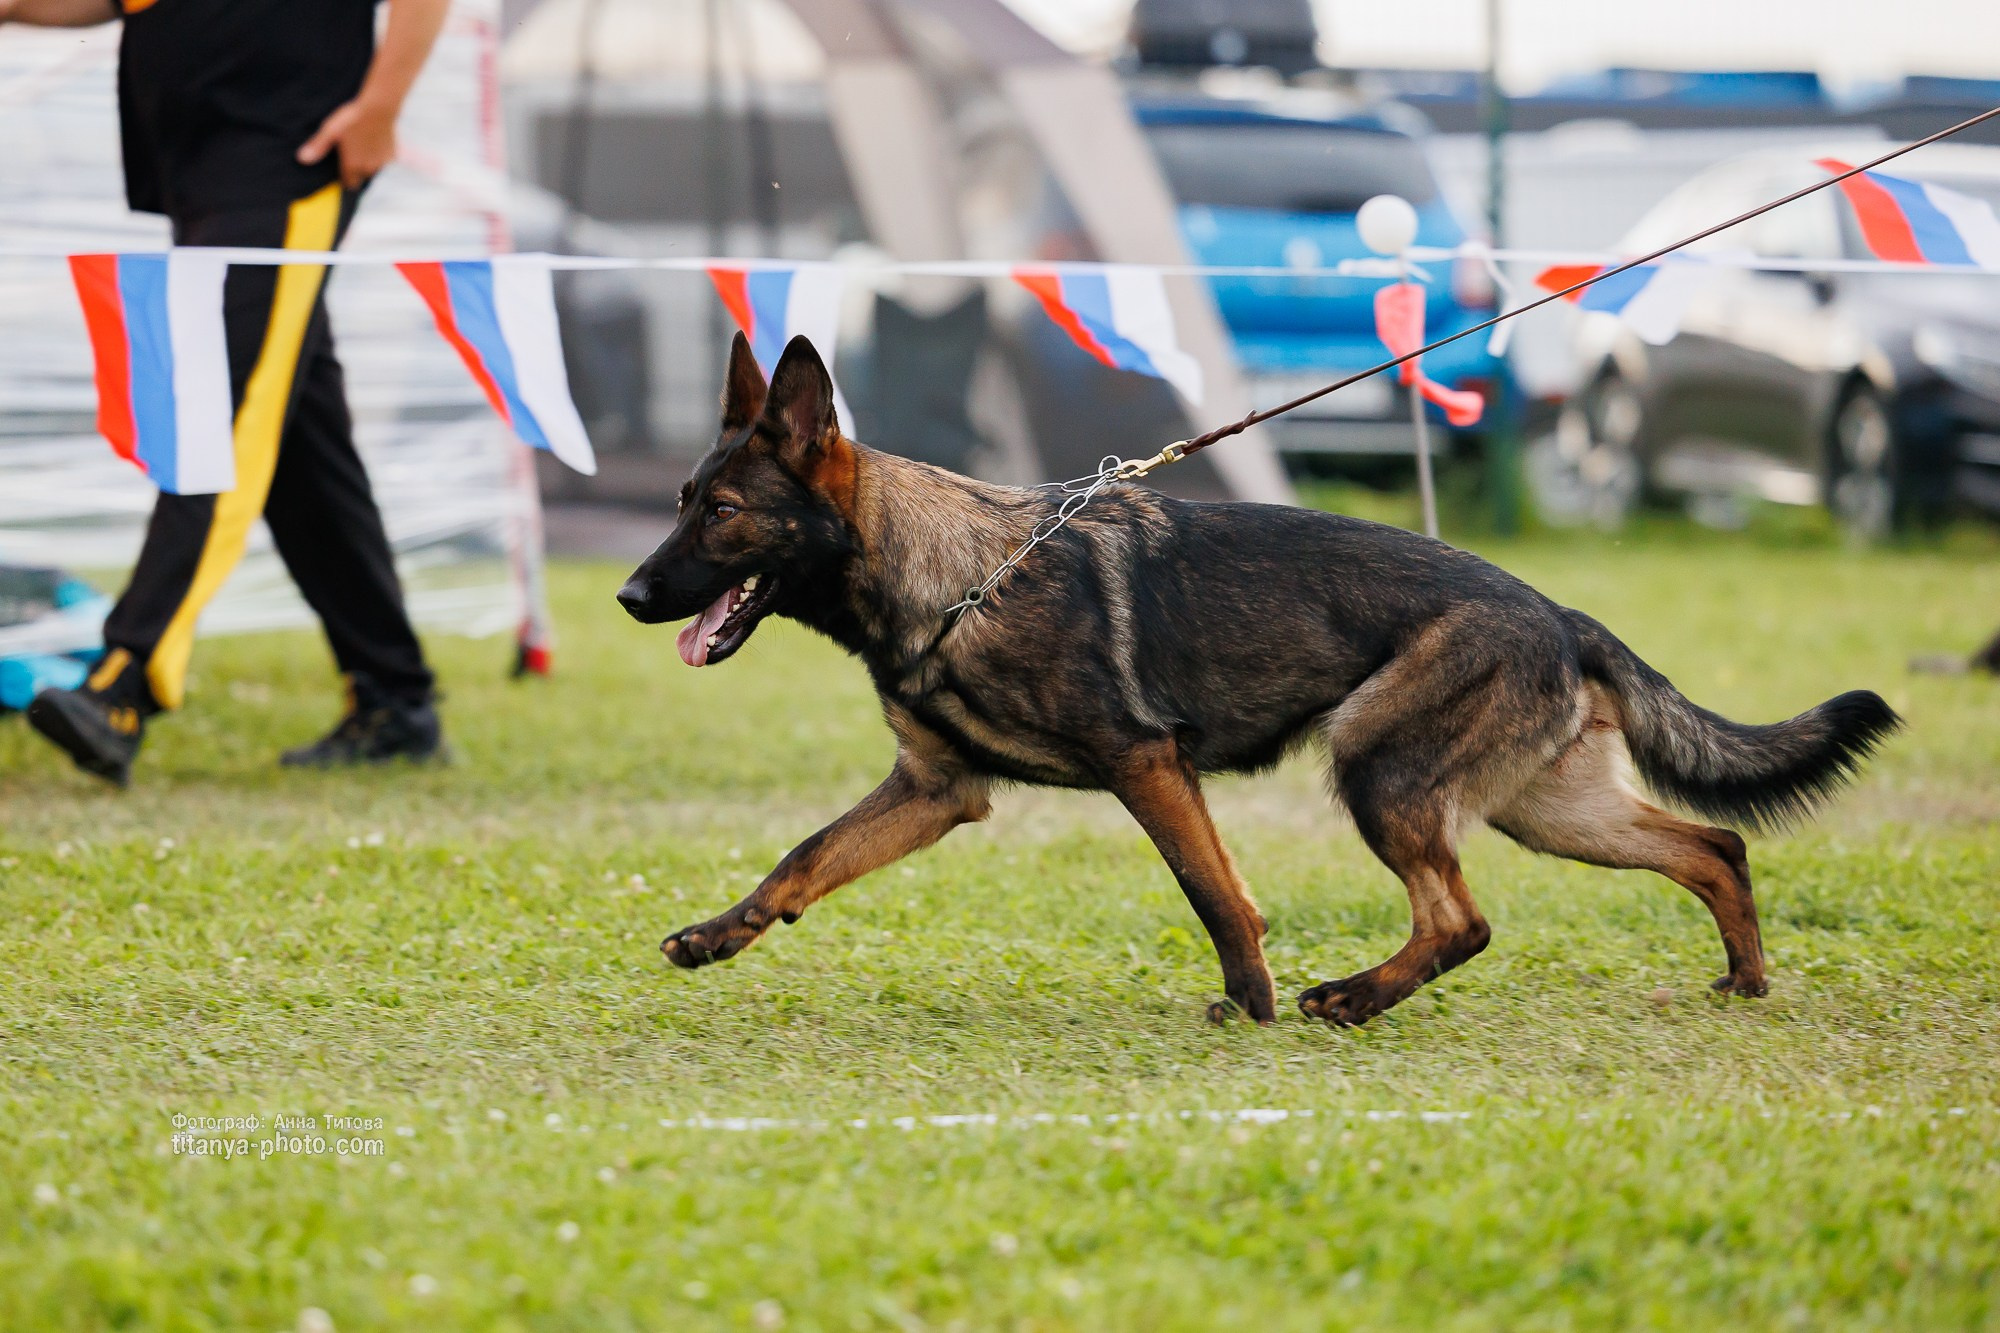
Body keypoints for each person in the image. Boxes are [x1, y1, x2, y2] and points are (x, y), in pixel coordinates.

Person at [2, 0, 453, 785]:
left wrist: (381, 107)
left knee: (223, 411)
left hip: (291, 152)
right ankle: (395, 698)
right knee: (294, 429)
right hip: (199, 165)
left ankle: (127, 680)